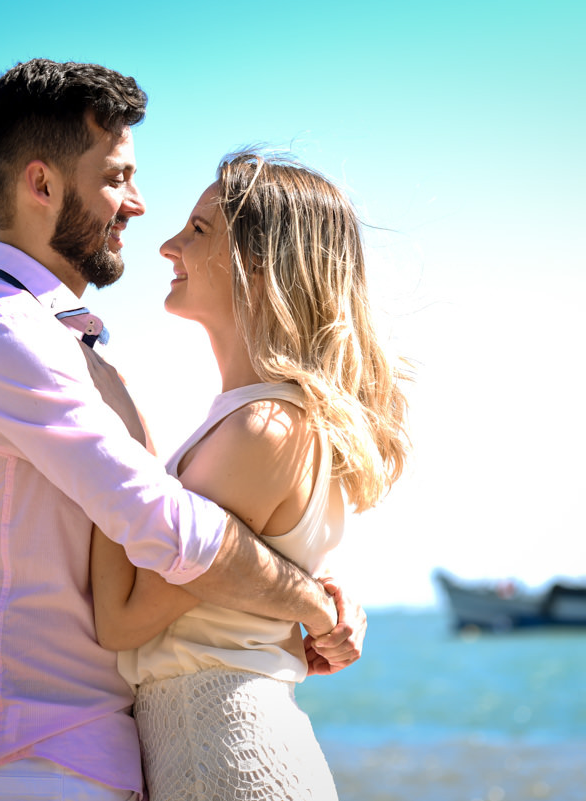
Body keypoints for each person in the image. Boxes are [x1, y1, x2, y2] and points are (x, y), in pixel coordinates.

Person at [0, 60, 364, 801]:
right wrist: (313, 602)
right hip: (32, 765)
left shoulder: (64, 345)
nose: (138, 204)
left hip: (88, 758)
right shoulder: (6, 339)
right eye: (117, 177)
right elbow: (164, 524)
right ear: (42, 185)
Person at [90, 149, 411, 800]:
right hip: (224, 753)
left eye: (199, 230)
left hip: (226, 760)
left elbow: (123, 619)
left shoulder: (262, 429)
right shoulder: (265, 419)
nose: (167, 246)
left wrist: (107, 446)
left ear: (259, 264)